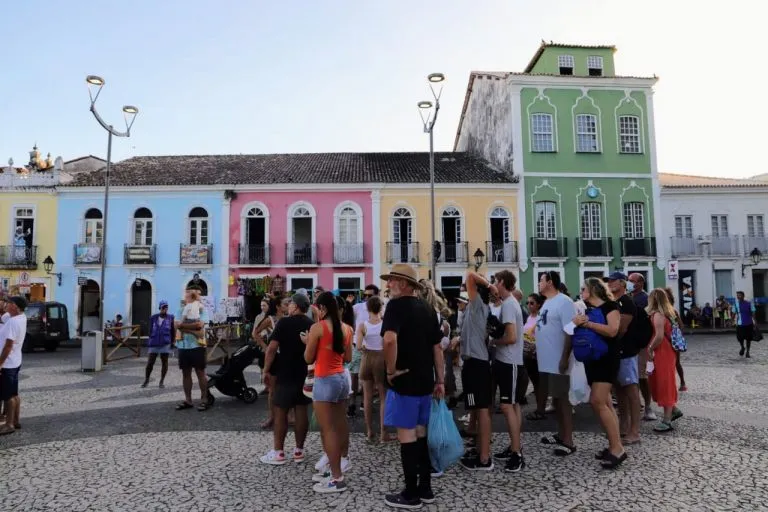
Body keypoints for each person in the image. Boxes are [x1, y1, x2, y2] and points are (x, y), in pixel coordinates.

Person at [381, 265, 444, 508]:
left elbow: (389, 339)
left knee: (406, 435)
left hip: (405, 380)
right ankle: (425, 488)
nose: (388, 285)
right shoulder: (428, 308)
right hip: (425, 382)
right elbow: (437, 347)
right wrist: (439, 380)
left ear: (405, 284)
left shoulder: (395, 307)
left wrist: (390, 369)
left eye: (393, 280)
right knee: (420, 433)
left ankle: (410, 494)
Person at [572, 278, 626, 468]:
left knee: (597, 401)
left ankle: (618, 448)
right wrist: (576, 323)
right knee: (606, 404)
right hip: (591, 359)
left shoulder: (610, 306)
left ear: (593, 289)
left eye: (583, 288)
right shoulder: (584, 308)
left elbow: (612, 331)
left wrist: (587, 324)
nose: (581, 291)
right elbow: (570, 329)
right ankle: (613, 444)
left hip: (607, 358)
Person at [304, 291, 353, 494]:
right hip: (342, 378)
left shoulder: (318, 328)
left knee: (328, 430)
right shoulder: (347, 328)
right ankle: (341, 464)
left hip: (325, 380)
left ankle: (336, 478)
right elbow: (348, 358)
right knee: (340, 425)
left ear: (322, 309)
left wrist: (308, 342)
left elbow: (308, 358)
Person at [260, 293, 314, 466]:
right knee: (301, 410)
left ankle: (279, 453)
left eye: (291, 303)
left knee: (280, 411)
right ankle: (299, 451)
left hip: (285, 373)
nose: (288, 306)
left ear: (296, 307)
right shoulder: (312, 325)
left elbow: (272, 348)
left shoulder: (283, 323)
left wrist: (266, 370)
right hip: (304, 373)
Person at [536, 271, 578, 456]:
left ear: (550, 283)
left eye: (541, 280)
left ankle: (568, 440)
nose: (539, 283)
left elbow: (570, 330)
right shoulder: (548, 302)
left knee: (563, 401)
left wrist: (564, 357)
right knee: (557, 400)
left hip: (558, 361)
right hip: (546, 361)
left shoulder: (564, 302)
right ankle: (561, 434)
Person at [457, 271, 494, 472]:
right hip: (472, 363)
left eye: (466, 287)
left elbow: (471, 275)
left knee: (482, 409)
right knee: (478, 410)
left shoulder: (479, 304)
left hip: (477, 364)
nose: (464, 287)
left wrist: (488, 284)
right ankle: (481, 449)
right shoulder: (473, 307)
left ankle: (485, 458)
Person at [491, 270, 526, 473]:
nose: (494, 284)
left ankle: (517, 454)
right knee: (513, 406)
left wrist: (494, 341)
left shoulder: (509, 305)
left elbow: (511, 338)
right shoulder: (509, 304)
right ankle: (515, 446)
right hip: (509, 361)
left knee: (507, 406)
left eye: (495, 280)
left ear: (502, 282)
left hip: (510, 361)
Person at [606, 273, 642, 445]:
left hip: (626, 352)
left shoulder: (626, 302)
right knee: (619, 390)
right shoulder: (613, 302)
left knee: (631, 391)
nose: (609, 283)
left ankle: (635, 431)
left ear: (622, 283)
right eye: (608, 281)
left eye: (613, 281)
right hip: (616, 352)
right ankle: (623, 425)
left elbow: (621, 329)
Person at [646, 289, 684, 432]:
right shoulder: (671, 312)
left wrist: (650, 348)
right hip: (669, 350)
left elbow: (659, 336)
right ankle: (673, 409)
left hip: (661, 350)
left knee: (664, 382)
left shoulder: (657, 315)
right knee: (665, 380)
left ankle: (667, 420)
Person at [357, 296, 389, 442]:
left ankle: (369, 431)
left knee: (367, 397)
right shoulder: (385, 324)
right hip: (381, 358)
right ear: (381, 308)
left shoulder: (362, 325)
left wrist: (364, 346)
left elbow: (358, 346)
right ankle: (383, 432)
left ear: (368, 309)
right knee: (383, 397)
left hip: (367, 358)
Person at [174, 286, 210, 411]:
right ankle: (188, 400)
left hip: (197, 345)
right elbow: (176, 326)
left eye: (194, 294)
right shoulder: (180, 310)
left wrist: (183, 327)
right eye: (188, 293)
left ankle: (204, 399)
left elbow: (200, 325)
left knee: (200, 373)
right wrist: (192, 328)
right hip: (183, 345)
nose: (190, 296)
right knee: (185, 373)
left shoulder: (202, 310)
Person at [628, 273, 656, 422]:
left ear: (640, 283)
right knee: (631, 377)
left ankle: (648, 406)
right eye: (629, 280)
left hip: (642, 343)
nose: (629, 283)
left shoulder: (645, 299)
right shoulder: (628, 297)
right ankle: (636, 404)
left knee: (642, 377)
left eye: (632, 281)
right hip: (629, 343)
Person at [0, 297, 27, 435]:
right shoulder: (22, 318)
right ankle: (16, 420)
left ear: (15, 307)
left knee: (8, 395)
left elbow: (8, 346)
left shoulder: (12, 322)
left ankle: (9, 424)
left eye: (9, 303)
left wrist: (0, 363)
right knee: (14, 393)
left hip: (8, 363)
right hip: (16, 361)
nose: (6, 304)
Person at [143, 300, 176, 388]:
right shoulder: (153, 317)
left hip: (165, 343)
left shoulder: (170, 317)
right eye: (163, 307)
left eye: (166, 307)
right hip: (154, 342)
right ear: (160, 308)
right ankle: (146, 380)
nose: (165, 309)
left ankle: (161, 381)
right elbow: (150, 330)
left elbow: (173, 330)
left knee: (164, 362)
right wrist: (151, 338)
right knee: (150, 362)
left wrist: (173, 341)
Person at [524, 293, 546, 421]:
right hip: (528, 354)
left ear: (538, 304)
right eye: (527, 303)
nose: (529, 305)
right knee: (536, 383)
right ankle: (540, 408)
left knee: (540, 384)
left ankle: (540, 409)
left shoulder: (540, 318)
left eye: (532, 303)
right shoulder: (529, 317)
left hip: (538, 354)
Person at [663, 288, 687, 391]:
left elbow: (681, 325)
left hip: (673, 340)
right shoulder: (659, 311)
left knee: (676, 362)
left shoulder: (673, 311)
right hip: (663, 340)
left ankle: (682, 382)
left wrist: (677, 337)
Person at [734, 291, 757, 358]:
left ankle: (748, 352)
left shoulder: (749, 303)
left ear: (743, 296)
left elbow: (753, 313)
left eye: (740, 295)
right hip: (740, 324)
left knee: (748, 339)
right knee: (740, 338)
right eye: (737, 295)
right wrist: (731, 320)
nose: (738, 296)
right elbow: (734, 313)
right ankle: (742, 347)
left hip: (749, 323)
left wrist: (755, 322)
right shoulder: (736, 304)